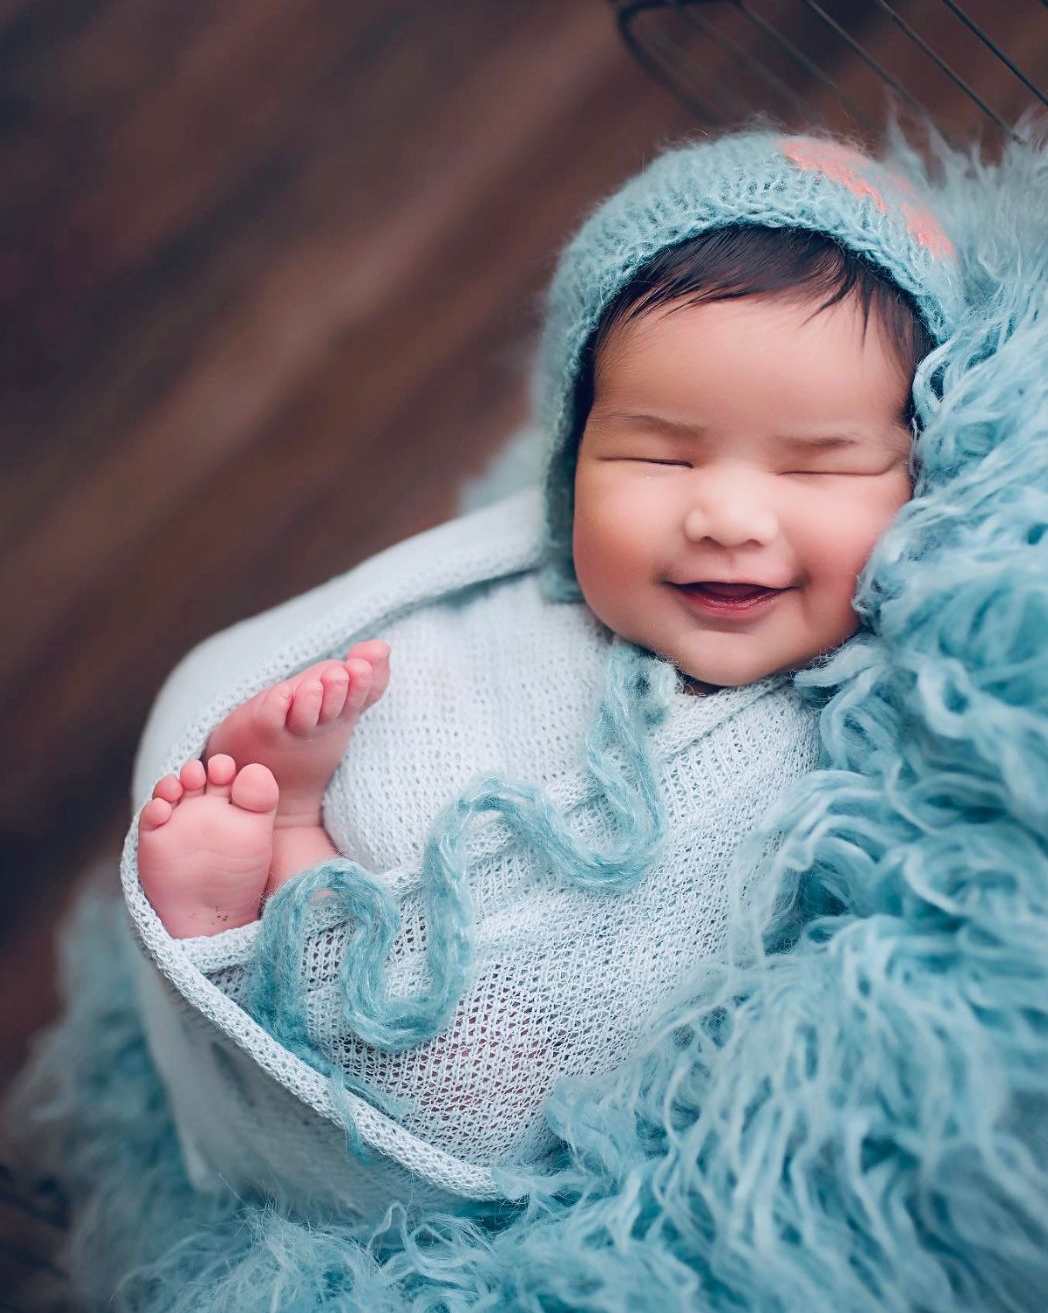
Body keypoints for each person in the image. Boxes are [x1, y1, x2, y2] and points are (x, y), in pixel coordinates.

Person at [128, 126, 961, 1183]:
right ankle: (285, 866)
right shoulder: (515, 618)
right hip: (414, 919)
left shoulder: (883, 710)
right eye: (659, 454)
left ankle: (289, 893)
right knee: (382, 766)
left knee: (492, 1089)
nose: (727, 515)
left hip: (547, 1090)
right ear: (572, 460)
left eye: (819, 469)